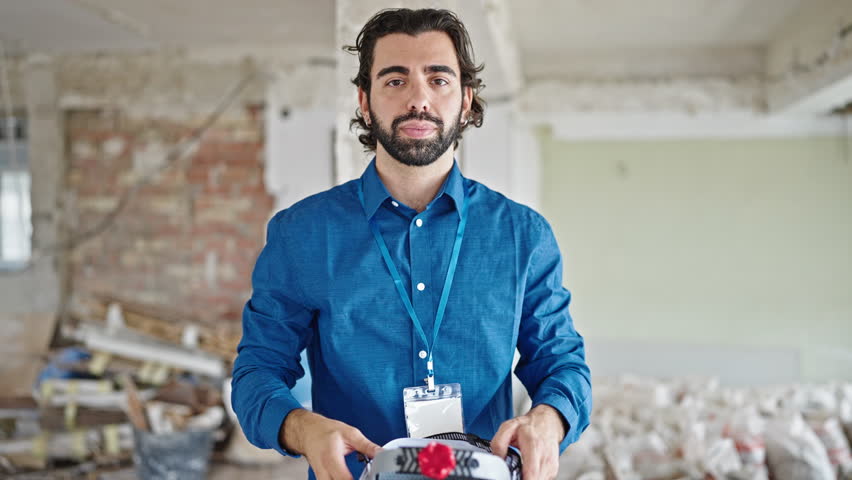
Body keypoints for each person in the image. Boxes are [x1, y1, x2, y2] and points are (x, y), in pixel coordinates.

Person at [232, 8, 591, 480]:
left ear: (465, 100)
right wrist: (301, 428)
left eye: (438, 80)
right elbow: (257, 371)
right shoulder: (301, 234)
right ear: (364, 101)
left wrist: (548, 420)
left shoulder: (523, 236)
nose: (418, 99)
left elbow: (561, 363)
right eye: (395, 81)